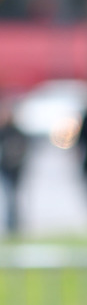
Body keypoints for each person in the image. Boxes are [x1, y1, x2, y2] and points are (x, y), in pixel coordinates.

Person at [0, 101, 28, 236]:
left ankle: (14, 224)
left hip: (14, 169)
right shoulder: (3, 131)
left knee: (12, 197)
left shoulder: (16, 132)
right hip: (5, 168)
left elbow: (21, 149)